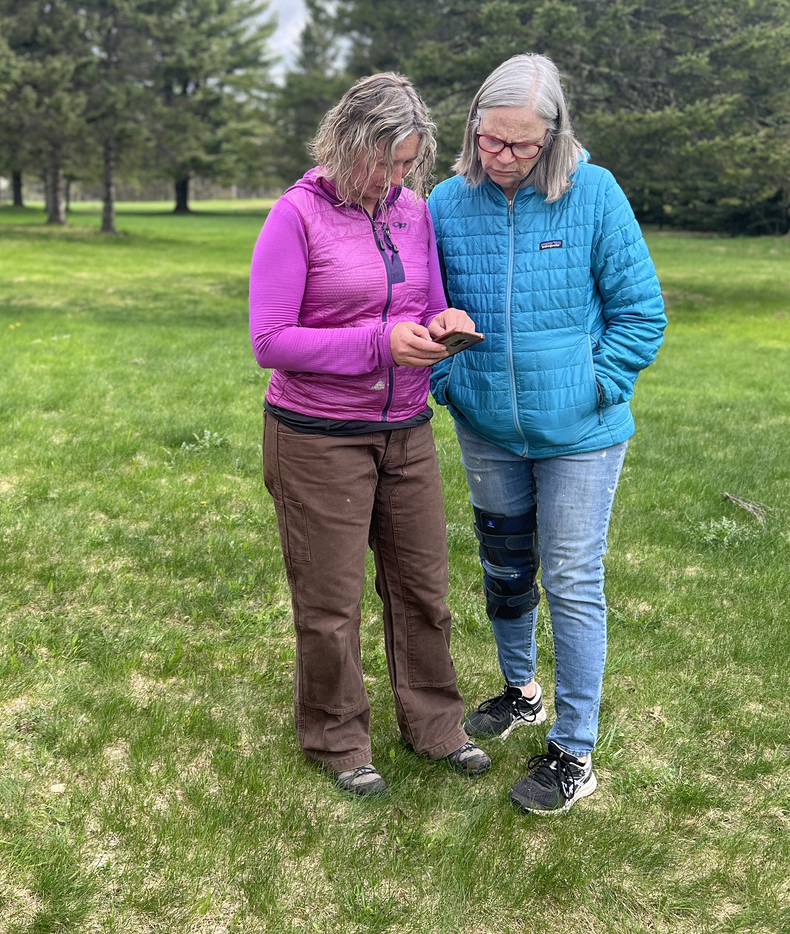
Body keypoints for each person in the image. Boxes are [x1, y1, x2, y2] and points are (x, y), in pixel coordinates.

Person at [426, 53, 667, 814]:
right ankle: (521, 691)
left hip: (583, 435)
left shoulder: (593, 194)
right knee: (504, 571)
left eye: (521, 146)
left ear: (554, 137)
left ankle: (574, 748)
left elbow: (641, 313)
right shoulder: (443, 203)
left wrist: (596, 383)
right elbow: (424, 309)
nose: (502, 158)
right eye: (491, 141)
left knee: (570, 578)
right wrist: (448, 382)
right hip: (487, 426)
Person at [250, 72, 490, 797]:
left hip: (406, 429)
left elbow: (429, 299)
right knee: (330, 602)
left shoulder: (413, 212)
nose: (392, 177)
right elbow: (272, 340)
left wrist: (446, 323)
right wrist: (379, 343)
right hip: (317, 435)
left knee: (424, 587)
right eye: (381, 161)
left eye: (406, 163)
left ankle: (436, 724)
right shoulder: (295, 215)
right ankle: (336, 736)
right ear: (346, 142)